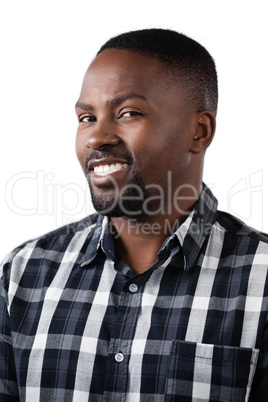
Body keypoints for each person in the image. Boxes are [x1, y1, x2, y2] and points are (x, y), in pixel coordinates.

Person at [0, 28, 267, 402]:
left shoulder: (263, 278)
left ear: (199, 131)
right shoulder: (23, 274)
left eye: (128, 113)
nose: (96, 137)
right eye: (86, 118)